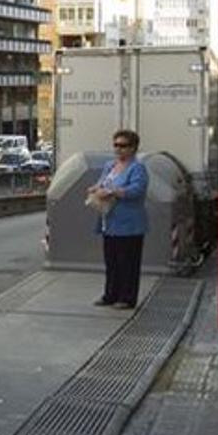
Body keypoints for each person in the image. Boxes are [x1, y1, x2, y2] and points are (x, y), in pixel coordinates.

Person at [89, 129, 150, 310]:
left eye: (123, 146)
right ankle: (110, 294)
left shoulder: (137, 168)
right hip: (110, 222)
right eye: (116, 145)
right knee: (112, 261)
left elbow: (137, 190)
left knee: (128, 262)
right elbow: (102, 182)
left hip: (129, 223)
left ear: (133, 148)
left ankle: (127, 297)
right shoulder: (110, 166)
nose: (118, 149)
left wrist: (113, 191)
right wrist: (94, 189)